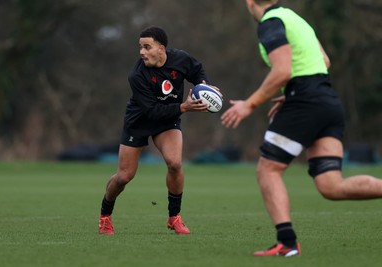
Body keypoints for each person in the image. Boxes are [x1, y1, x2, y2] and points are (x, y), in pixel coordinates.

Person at [221, 0, 382, 257]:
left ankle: (287, 242)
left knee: (268, 169)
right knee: (331, 185)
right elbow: (324, 61)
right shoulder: (295, 19)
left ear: (250, 2)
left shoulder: (270, 22)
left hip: (305, 103)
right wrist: (292, 92)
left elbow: (283, 70)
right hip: (327, 101)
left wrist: (249, 105)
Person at [99, 26, 217, 235]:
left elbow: (197, 71)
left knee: (175, 163)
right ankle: (105, 215)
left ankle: (174, 217)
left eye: (147, 47)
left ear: (161, 49)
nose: (142, 52)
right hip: (140, 121)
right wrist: (184, 107)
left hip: (168, 119)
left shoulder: (180, 59)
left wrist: (205, 86)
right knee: (124, 177)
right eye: (140, 47)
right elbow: (152, 112)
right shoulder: (137, 75)